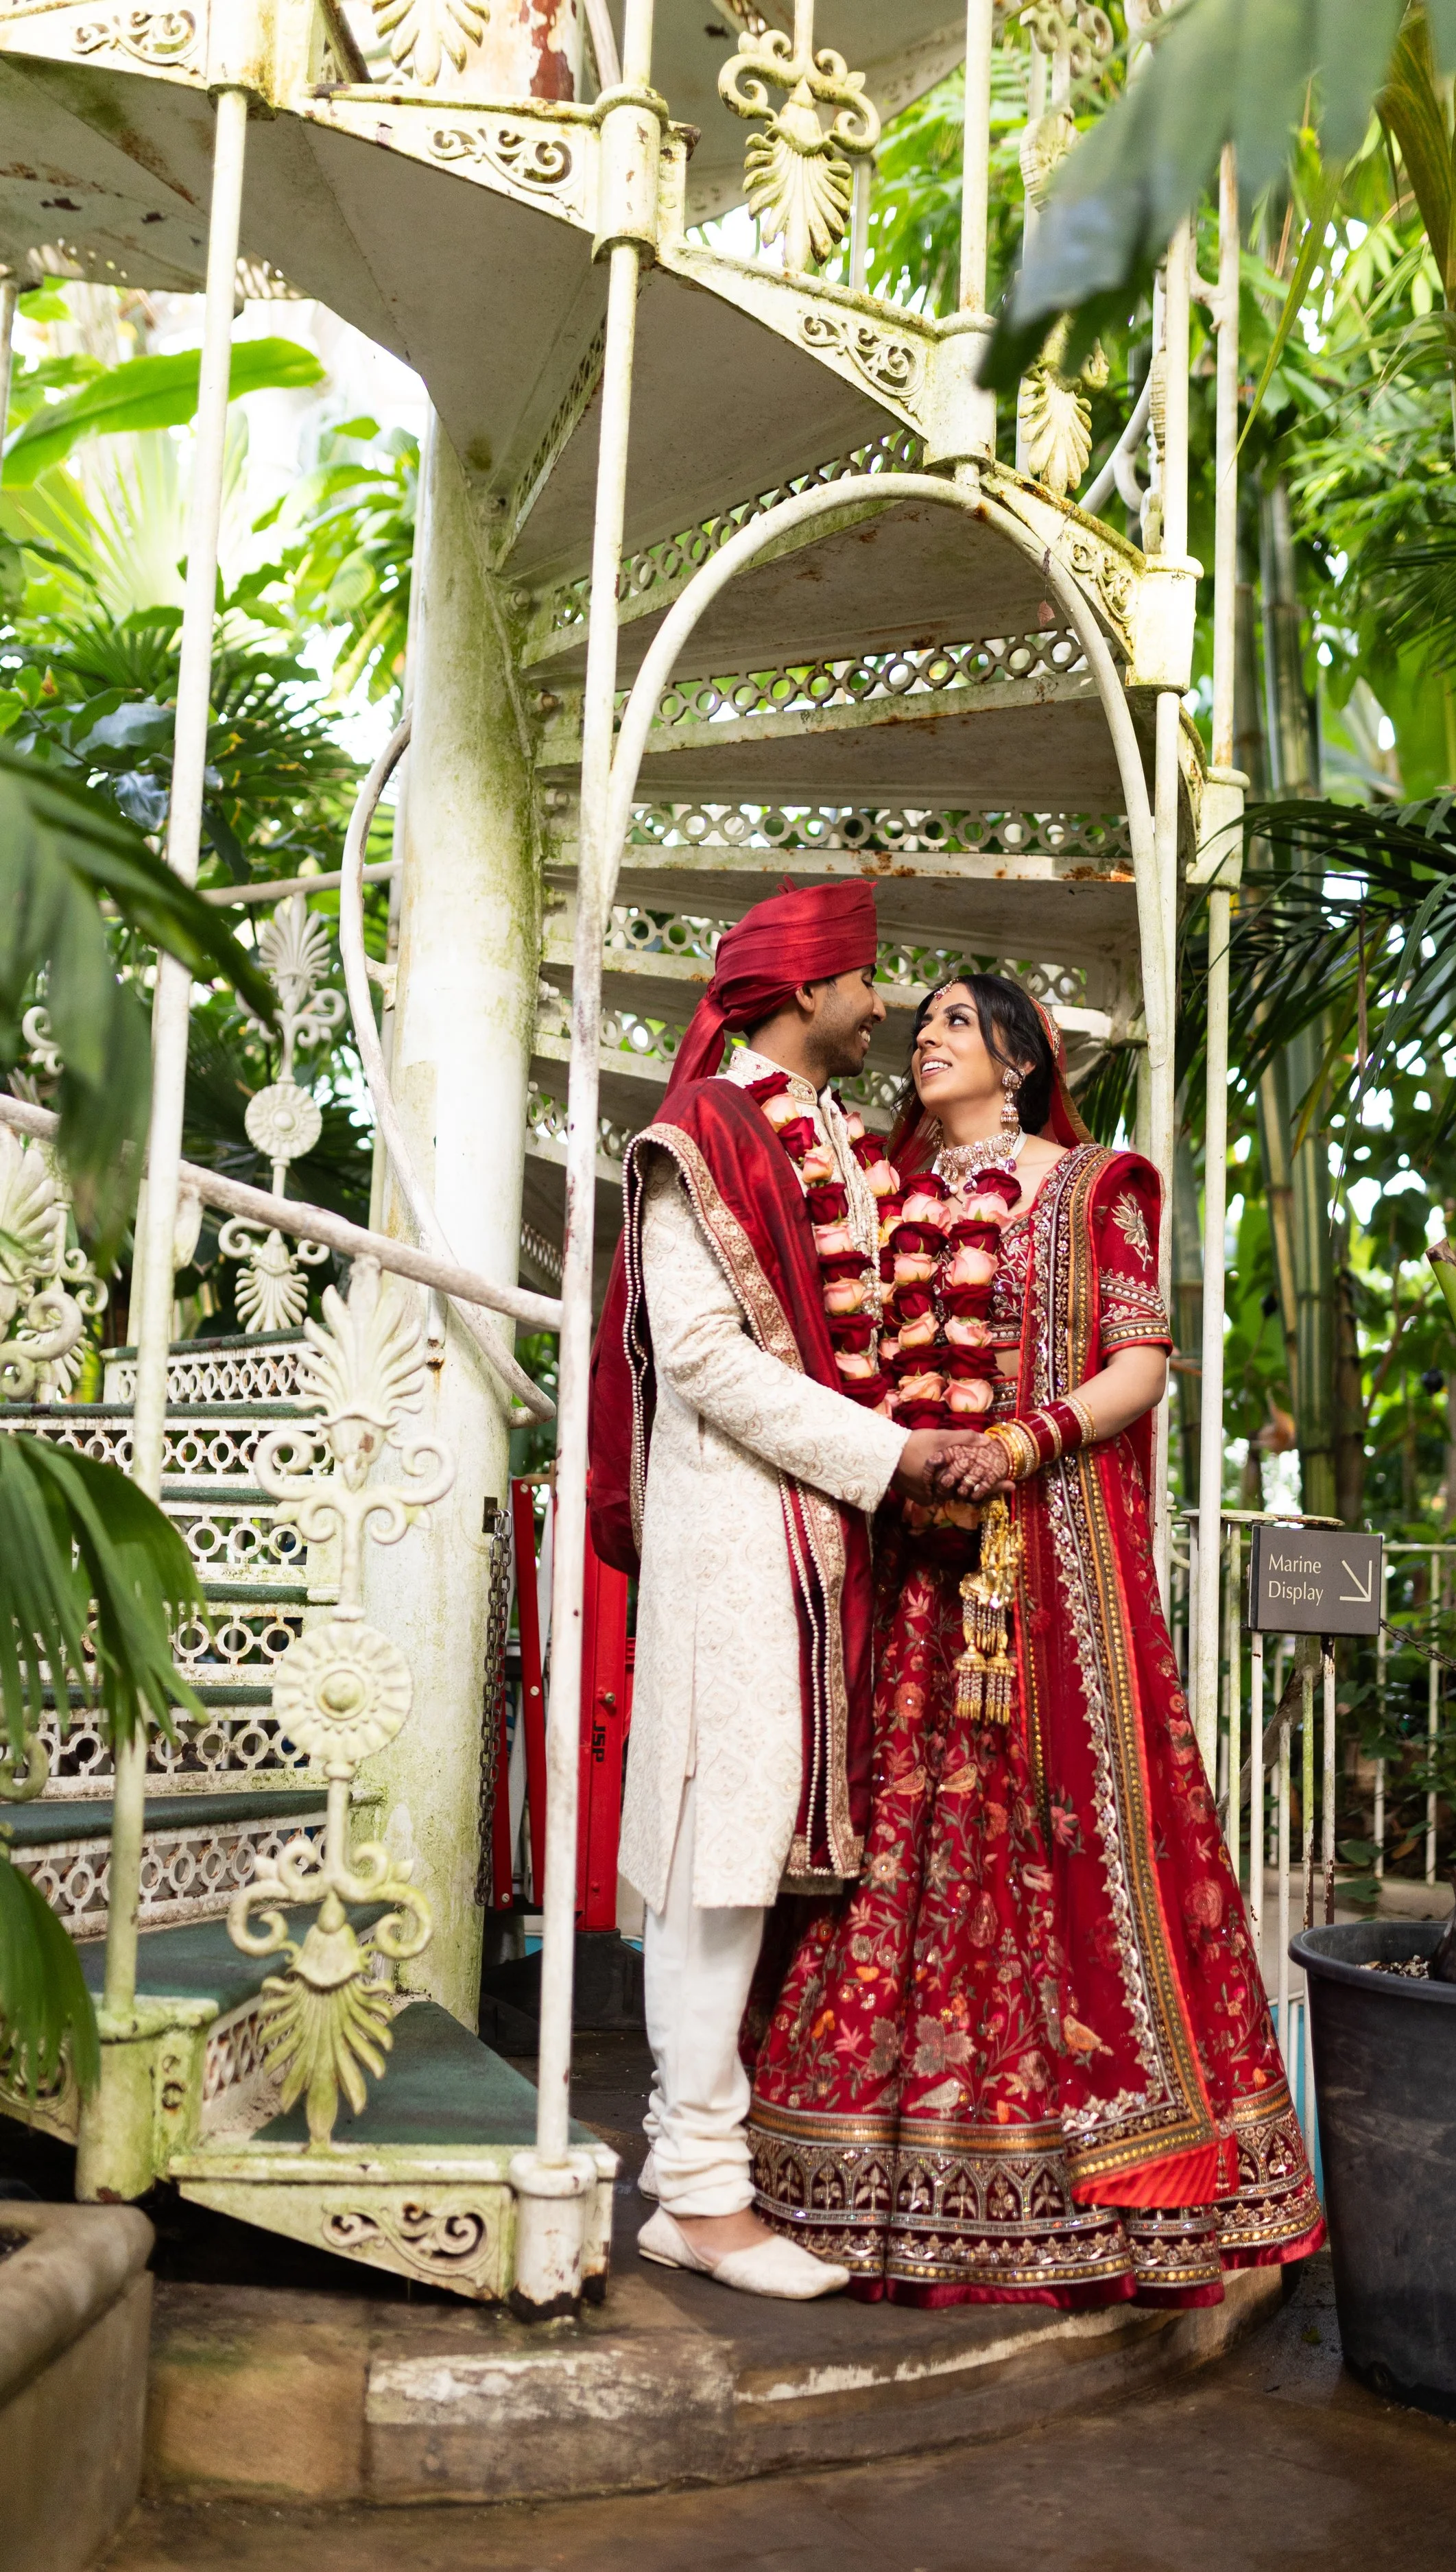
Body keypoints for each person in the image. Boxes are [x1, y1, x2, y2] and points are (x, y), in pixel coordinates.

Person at [746, 975, 1325, 2305]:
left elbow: (1137, 1363)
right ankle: (871, 2183)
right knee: (900, 1838)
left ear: (1016, 1056)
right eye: (921, 1026)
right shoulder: (878, 1190)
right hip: (909, 1571)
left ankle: (1100, 2181)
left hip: (1047, 1564)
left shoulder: (1090, 1186)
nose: (925, 1040)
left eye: (954, 1021)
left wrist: (1021, 1440)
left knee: (1058, 1838)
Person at [588, 881, 986, 2301]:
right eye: (865, 980)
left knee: (763, 1866)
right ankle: (692, 2193)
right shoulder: (693, 1136)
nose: (880, 1005)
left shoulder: (835, 1139)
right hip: (739, 1534)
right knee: (717, 1856)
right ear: (803, 987)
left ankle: (705, 2172)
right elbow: (698, 1357)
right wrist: (893, 1454)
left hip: (828, 1544)